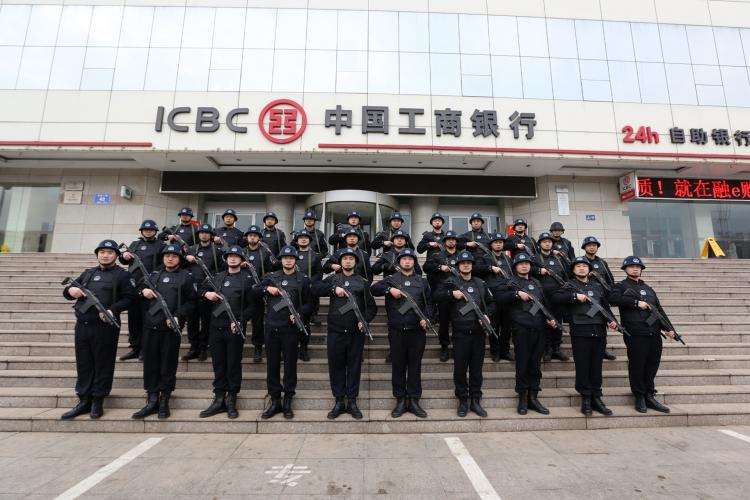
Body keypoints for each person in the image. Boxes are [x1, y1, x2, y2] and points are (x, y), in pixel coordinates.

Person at [61, 240, 136, 420]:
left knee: (103, 363)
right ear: (97, 255)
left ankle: (97, 400)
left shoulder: (123, 275)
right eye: (102, 252)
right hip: (83, 325)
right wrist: (71, 291)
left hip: (105, 326)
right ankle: (83, 400)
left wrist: (113, 309)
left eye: (110, 252)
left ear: (116, 255)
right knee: (84, 363)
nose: (105, 255)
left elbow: (130, 298)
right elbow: (67, 291)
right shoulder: (88, 273)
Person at [132, 244, 197, 420]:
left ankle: (164, 400)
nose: (170, 258)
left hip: (171, 328)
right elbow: (137, 291)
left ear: (179, 259)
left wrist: (178, 316)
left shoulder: (186, 277)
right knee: (150, 364)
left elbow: (192, 302)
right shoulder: (153, 275)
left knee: (168, 364)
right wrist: (143, 291)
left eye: (174, 256)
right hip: (150, 327)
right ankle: (152, 399)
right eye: (167, 255)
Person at [312, 248, 377, 420]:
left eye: (351, 258)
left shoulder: (362, 282)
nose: (348, 261)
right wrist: (334, 290)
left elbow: (371, 307)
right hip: (336, 331)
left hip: (356, 333)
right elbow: (315, 288)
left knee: (354, 367)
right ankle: (339, 400)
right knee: (336, 367)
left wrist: (365, 320)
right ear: (340, 262)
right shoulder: (333, 279)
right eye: (345, 258)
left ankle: (352, 401)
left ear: (355, 262)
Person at [609, 256, 676, 414]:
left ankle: (649, 395)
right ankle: (639, 395)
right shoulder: (620, 286)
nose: (635, 269)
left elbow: (659, 310)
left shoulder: (648, 288)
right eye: (631, 266)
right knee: (637, 365)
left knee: (652, 364)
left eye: (638, 266)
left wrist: (669, 328)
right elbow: (612, 299)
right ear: (625, 269)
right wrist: (636, 303)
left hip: (654, 332)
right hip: (635, 332)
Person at [371, 249, 433, 418]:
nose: (407, 261)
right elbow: (374, 289)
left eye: (410, 259)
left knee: (415, 366)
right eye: (404, 259)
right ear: (399, 262)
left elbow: (429, 304)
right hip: (397, 330)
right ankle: (400, 399)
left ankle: (413, 400)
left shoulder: (422, 282)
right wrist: (389, 290)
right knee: (398, 366)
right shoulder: (391, 280)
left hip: (416, 331)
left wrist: (427, 318)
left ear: (414, 262)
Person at [552, 256, 618, 416]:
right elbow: (555, 298)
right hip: (580, 332)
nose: (582, 268)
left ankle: (597, 397)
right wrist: (575, 297)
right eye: (578, 266)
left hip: (599, 331)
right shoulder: (569, 285)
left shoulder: (597, 286)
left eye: (584, 266)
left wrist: (612, 321)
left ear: (589, 269)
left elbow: (605, 307)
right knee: (583, 366)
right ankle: (586, 398)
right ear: (573, 270)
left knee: (596, 366)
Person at [255, 245, 314, 420]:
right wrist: (267, 289)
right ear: (281, 260)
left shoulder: (303, 279)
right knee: (272, 365)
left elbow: (311, 304)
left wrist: (299, 314)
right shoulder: (271, 277)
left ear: (296, 260)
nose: (288, 260)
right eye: (285, 258)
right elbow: (253, 291)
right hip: (272, 327)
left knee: (290, 365)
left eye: (291, 258)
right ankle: (275, 400)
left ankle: (288, 399)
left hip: (291, 329)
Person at [495, 253, 558, 416]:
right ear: (515, 266)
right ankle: (523, 397)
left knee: (535, 364)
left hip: (539, 328)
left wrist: (550, 319)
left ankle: (533, 397)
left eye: (527, 263)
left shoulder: (536, 282)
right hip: (521, 328)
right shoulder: (510, 282)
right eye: (521, 263)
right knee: (522, 363)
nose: (524, 266)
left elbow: (544, 304)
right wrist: (516, 294)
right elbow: (499, 297)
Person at [435, 250, 495, 418]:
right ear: (458, 266)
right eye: (463, 263)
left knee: (476, 369)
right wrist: (451, 294)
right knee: (460, 369)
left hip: (478, 333)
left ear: (472, 265)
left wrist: (487, 315)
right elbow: (436, 295)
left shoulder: (480, 283)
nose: (466, 265)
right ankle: (462, 399)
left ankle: (475, 399)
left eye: (469, 263)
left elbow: (492, 303)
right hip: (460, 333)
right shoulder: (451, 282)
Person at [199, 246, 256, 419]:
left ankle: (231, 399)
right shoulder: (217, 277)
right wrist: (206, 294)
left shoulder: (247, 279)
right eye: (230, 256)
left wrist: (240, 320)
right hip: (216, 327)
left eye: (236, 256)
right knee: (218, 364)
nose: (232, 258)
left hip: (234, 328)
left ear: (241, 260)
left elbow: (253, 306)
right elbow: (198, 290)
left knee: (233, 364)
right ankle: (218, 399)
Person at [118, 219, 165, 361]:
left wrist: (154, 277)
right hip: (133, 286)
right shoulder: (135, 244)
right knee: (134, 319)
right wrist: (123, 256)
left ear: (155, 231)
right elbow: (123, 260)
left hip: (150, 287)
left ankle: (146, 348)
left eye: (151, 229)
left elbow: (163, 265)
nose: (148, 231)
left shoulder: (161, 245)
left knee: (147, 319)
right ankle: (135, 347)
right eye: (145, 229)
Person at [183, 223, 226, 361]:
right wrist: (186, 258)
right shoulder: (191, 249)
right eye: (202, 232)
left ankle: (203, 348)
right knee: (192, 321)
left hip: (208, 291)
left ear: (211, 235)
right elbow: (180, 266)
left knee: (206, 321)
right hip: (192, 291)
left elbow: (222, 269)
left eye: (207, 233)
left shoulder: (217, 250)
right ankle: (193, 347)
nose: (204, 235)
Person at [475, 232, 514, 362]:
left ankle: (505, 351)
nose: (498, 244)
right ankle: (495, 351)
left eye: (500, 242)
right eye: (496, 242)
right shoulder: (485, 257)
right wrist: (490, 268)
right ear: (491, 244)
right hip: (493, 297)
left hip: (507, 295)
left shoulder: (508, 259)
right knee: (494, 326)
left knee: (507, 327)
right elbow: (475, 269)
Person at [244, 224, 280, 363]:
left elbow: (272, 270)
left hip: (258, 291)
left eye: (255, 235)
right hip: (242, 290)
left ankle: (258, 347)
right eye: (250, 235)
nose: (252, 237)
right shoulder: (241, 252)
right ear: (247, 237)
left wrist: (263, 284)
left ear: (259, 238)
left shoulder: (265, 253)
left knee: (257, 321)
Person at [423, 230, 460, 362]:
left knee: (459, 323)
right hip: (443, 293)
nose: (451, 241)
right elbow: (426, 267)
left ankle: (458, 347)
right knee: (444, 323)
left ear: (456, 241)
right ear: (444, 242)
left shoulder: (462, 255)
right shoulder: (438, 255)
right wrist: (439, 267)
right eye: (448, 239)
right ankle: (444, 347)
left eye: (453, 239)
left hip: (460, 293)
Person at [532, 232, 569, 363]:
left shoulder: (558, 258)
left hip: (558, 296)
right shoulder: (535, 258)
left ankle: (556, 348)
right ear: (540, 244)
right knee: (545, 322)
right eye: (544, 242)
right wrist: (538, 271)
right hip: (542, 297)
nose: (547, 244)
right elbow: (526, 270)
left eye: (549, 242)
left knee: (557, 322)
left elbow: (566, 275)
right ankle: (547, 349)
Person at [581, 236, 617, 361]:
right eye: (589, 245)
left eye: (594, 245)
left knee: (602, 322)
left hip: (601, 297)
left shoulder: (602, 262)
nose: (592, 247)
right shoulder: (580, 262)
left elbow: (610, 279)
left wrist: (612, 293)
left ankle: (603, 349)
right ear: (584, 247)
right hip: (585, 298)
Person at [293, 230, 323, 361]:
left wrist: (310, 282)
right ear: (296, 241)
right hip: (293, 291)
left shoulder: (315, 255)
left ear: (310, 241)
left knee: (304, 322)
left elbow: (319, 273)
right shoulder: (292, 254)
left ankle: (303, 348)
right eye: (301, 238)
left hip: (307, 292)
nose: (303, 239)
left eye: (306, 238)